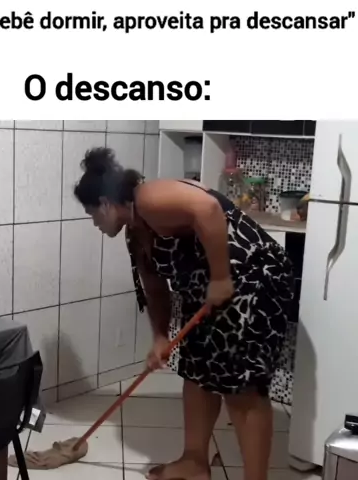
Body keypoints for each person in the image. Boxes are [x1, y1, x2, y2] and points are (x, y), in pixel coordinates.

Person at [74, 147, 294, 480]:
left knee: (242, 386)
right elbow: (155, 289)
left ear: (105, 203)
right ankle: (194, 462)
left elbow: (207, 209)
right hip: (211, 289)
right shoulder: (137, 233)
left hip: (254, 278)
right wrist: (160, 337)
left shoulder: (149, 197)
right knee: (196, 372)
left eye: (92, 214)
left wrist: (220, 277)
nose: (95, 224)